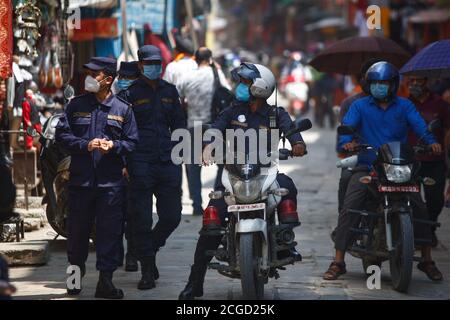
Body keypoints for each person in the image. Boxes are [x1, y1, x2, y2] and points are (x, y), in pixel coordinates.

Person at [178, 62, 307, 300]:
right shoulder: (230, 111)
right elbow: (215, 130)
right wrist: (207, 146)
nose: (240, 87)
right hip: (234, 175)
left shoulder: (276, 114)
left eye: (245, 83)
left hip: (266, 173)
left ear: (260, 87)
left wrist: (298, 144)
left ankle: (286, 240)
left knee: (288, 187)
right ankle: (194, 283)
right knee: (210, 224)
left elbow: (291, 132)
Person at [323, 61, 443, 282]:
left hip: (400, 168)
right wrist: (347, 142)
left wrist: (432, 142)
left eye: (384, 83)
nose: (380, 87)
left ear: (393, 84)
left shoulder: (405, 106)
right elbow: (346, 130)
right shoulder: (359, 106)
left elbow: (420, 127)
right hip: (369, 165)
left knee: (420, 207)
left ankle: (427, 259)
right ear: (369, 85)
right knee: (350, 207)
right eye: (376, 83)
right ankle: (338, 261)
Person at [55, 57, 138, 299]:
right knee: (77, 234)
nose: (88, 78)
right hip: (81, 183)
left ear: (108, 80)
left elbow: (132, 142)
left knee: (109, 235)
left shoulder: (124, 110)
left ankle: (105, 283)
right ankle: (74, 281)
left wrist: (113, 145)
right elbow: (62, 136)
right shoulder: (75, 105)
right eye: (88, 73)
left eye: (95, 74)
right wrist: (85, 144)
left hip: (110, 185)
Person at [122, 45, 186, 290]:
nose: (155, 67)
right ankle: (147, 269)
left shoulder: (170, 91)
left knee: (172, 215)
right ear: (140, 66)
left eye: (158, 63)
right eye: (150, 63)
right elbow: (122, 130)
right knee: (141, 218)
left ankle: (148, 248)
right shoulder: (129, 94)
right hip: (139, 161)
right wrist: (124, 162)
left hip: (168, 161)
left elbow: (179, 125)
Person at [177, 47, 231, 216]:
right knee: (222, 163)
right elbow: (227, 93)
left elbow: (176, 96)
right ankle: (215, 200)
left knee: (193, 167)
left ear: (195, 59)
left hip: (192, 125)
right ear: (210, 59)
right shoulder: (216, 74)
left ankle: (196, 205)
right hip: (215, 126)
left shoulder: (186, 76)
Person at [407, 75, 450, 247]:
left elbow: (448, 129)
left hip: (434, 160)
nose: (415, 84)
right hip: (411, 161)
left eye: (419, 81)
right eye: (411, 81)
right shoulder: (404, 104)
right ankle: (418, 233)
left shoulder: (440, 104)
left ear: (428, 82)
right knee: (411, 199)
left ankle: (429, 228)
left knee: (435, 200)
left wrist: (443, 145)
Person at [115, 61, 140, 272]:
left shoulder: (139, 102)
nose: (123, 80)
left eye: (128, 77)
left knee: (133, 214)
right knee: (114, 214)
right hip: (112, 164)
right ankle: (116, 255)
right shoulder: (111, 101)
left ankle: (132, 255)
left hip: (135, 165)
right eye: (121, 76)